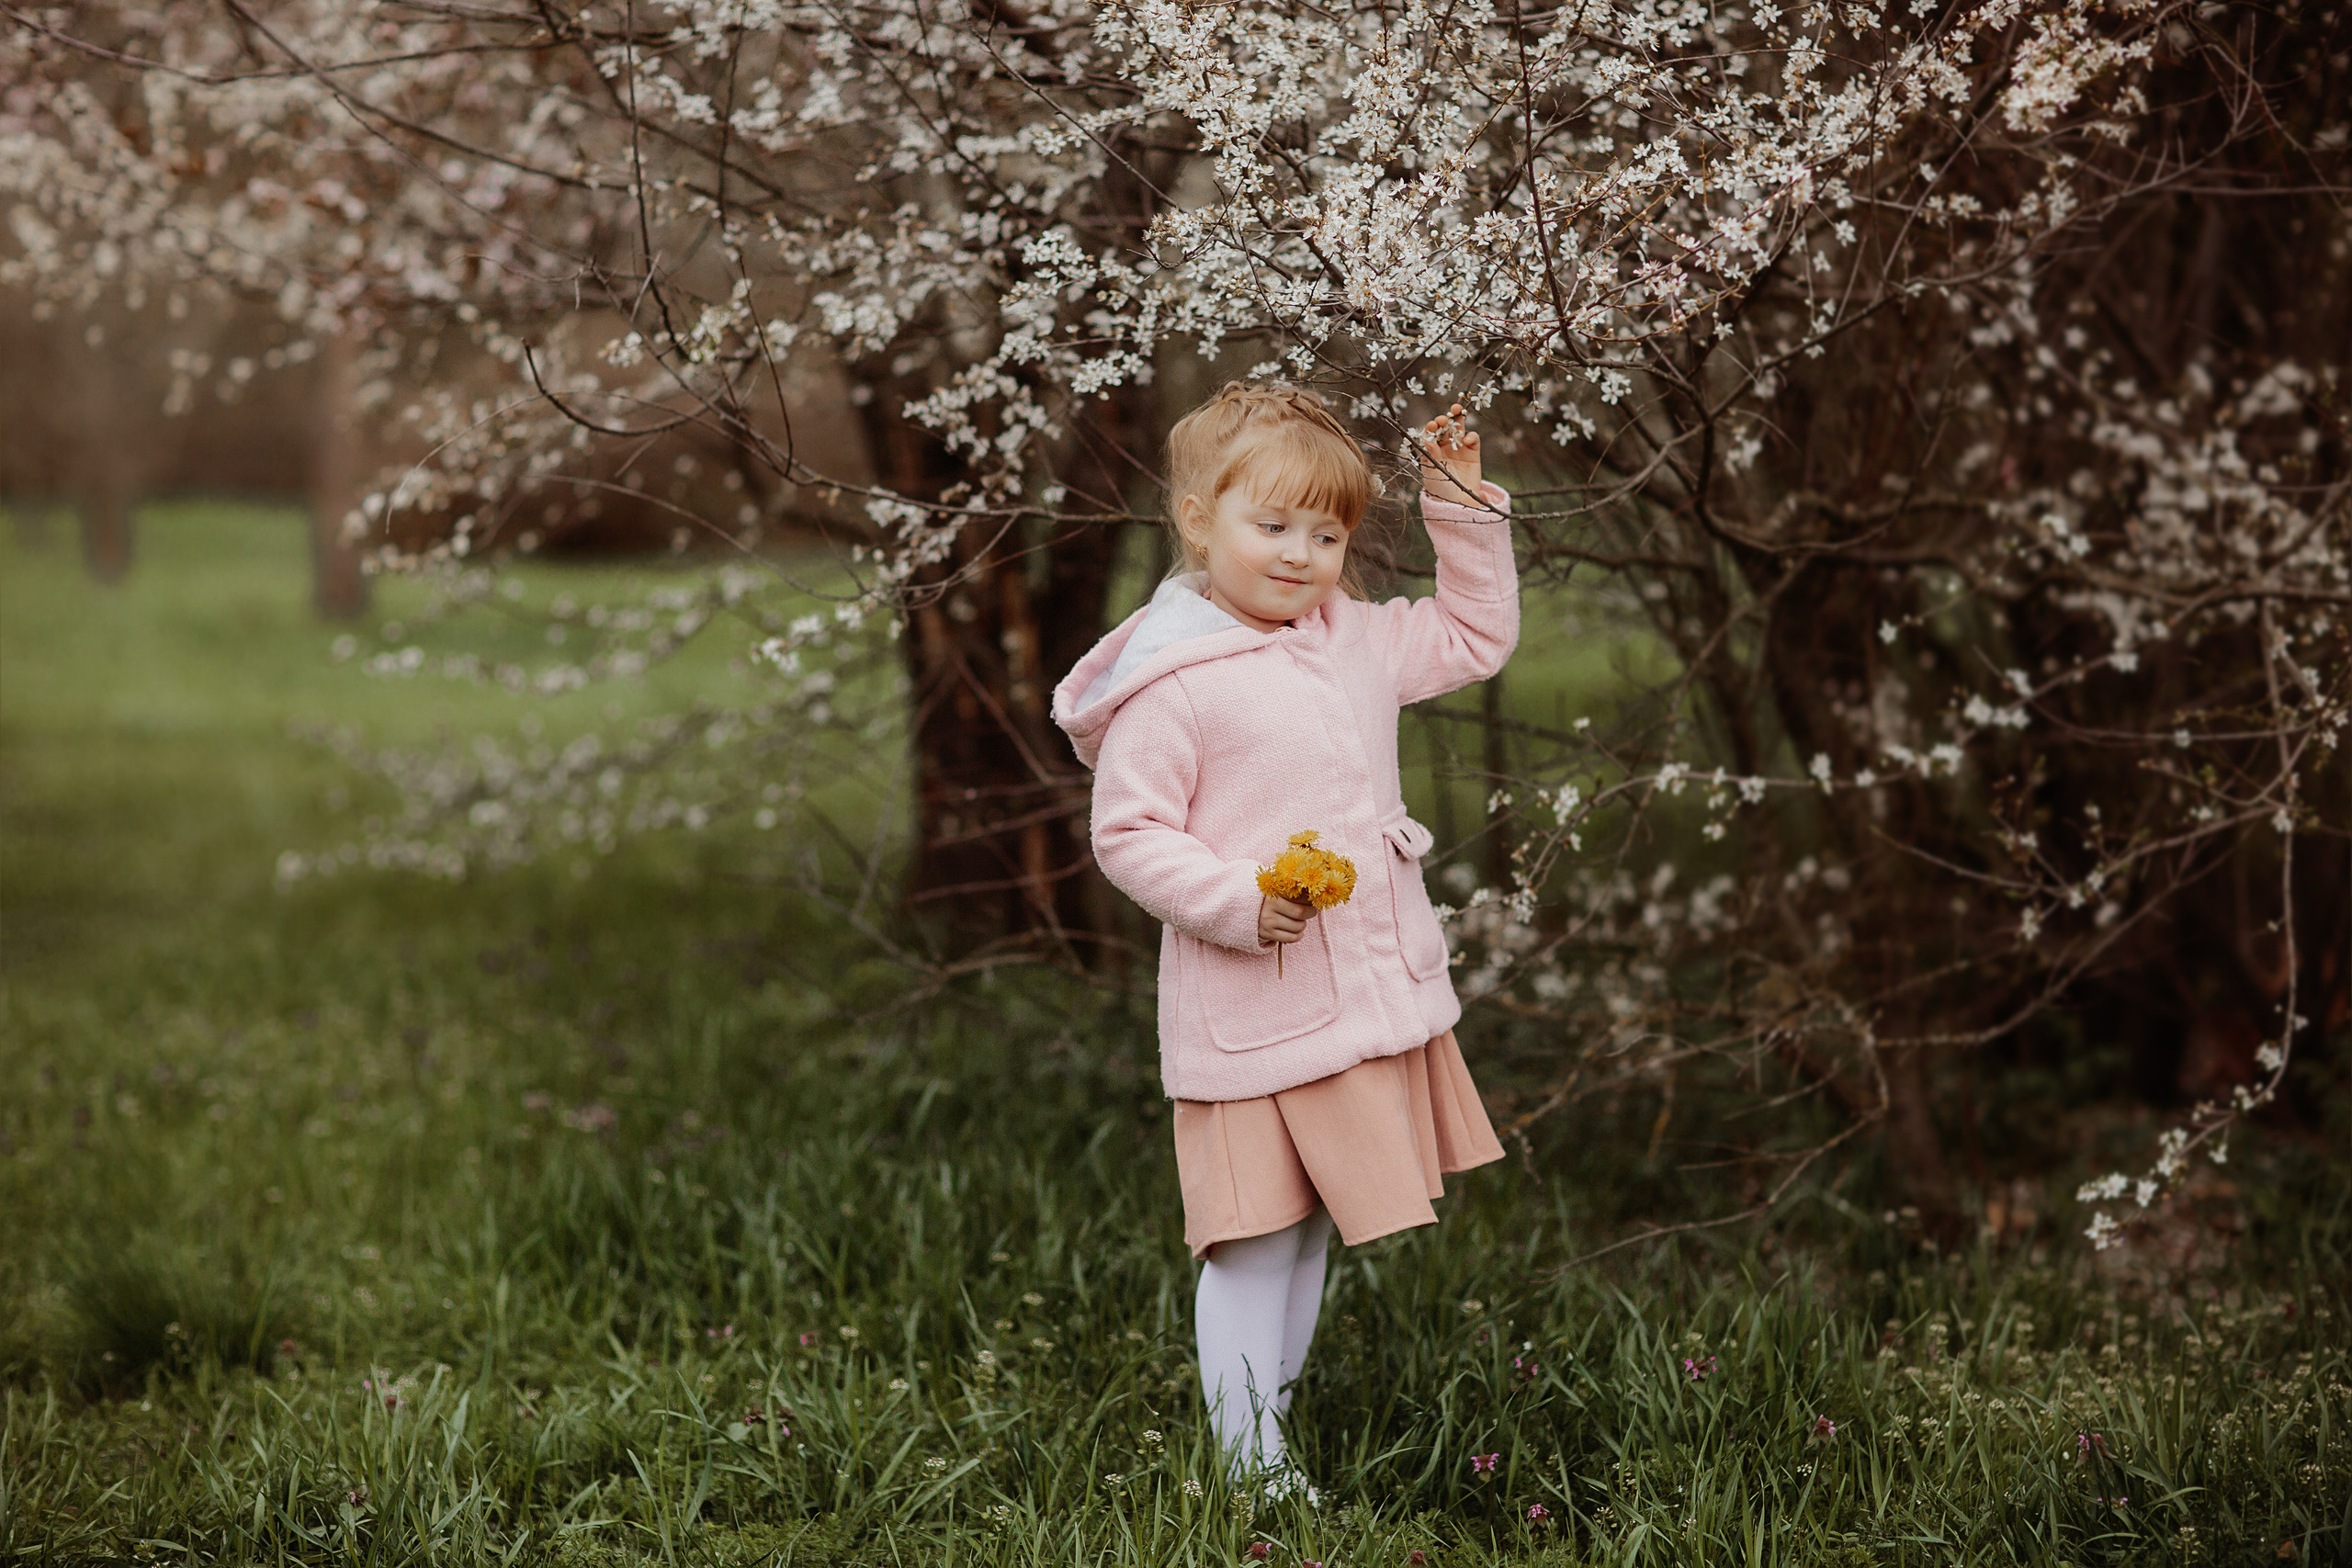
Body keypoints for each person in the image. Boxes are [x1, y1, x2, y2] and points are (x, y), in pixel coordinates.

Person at [1051, 381, 1518, 1492]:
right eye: (1273, 526)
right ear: (1199, 519)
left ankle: (1266, 1432)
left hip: (1355, 999)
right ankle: (1250, 1470)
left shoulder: (1350, 640)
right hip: (1255, 1014)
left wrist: (1457, 502)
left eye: (1327, 532)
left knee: (1306, 1233)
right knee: (1253, 1236)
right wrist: (1233, 899)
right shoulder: (1174, 684)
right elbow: (1129, 832)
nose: (1302, 555)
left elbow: (1473, 635)